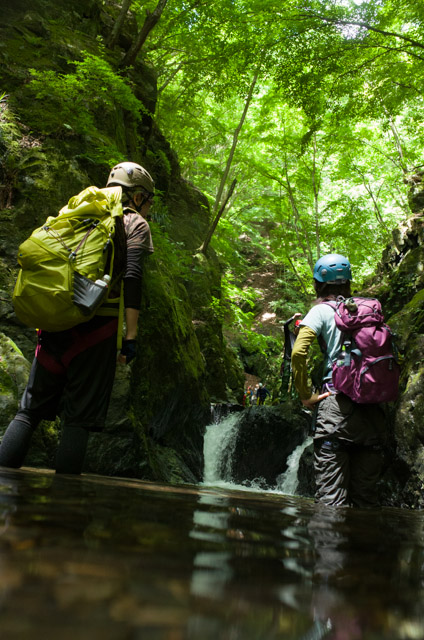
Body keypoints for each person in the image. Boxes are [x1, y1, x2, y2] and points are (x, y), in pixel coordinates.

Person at [0, 161, 154, 474]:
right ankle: (63, 515)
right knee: (78, 421)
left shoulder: (80, 209)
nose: (148, 208)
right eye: (148, 200)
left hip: (54, 322)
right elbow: (133, 278)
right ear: (137, 197)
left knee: (29, 412)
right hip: (96, 331)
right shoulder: (134, 224)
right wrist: (130, 337)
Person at [291, 254, 386, 508]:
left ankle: (330, 546)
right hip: (373, 412)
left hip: (336, 407)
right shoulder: (368, 311)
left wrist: (306, 395)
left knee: (331, 503)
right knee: (366, 502)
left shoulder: (320, 311)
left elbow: (298, 352)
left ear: (318, 283)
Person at [280, 312, 302, 401]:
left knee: (295, 380)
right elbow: (285, 325)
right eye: (298, 328)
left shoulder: (301, 338)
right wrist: (293, 317)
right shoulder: (289, 335)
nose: (300, 330)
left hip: (296, 361)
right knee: (285, 379)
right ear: (295, 328)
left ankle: (293, 398)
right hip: (287, 360)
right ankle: (283, 397)